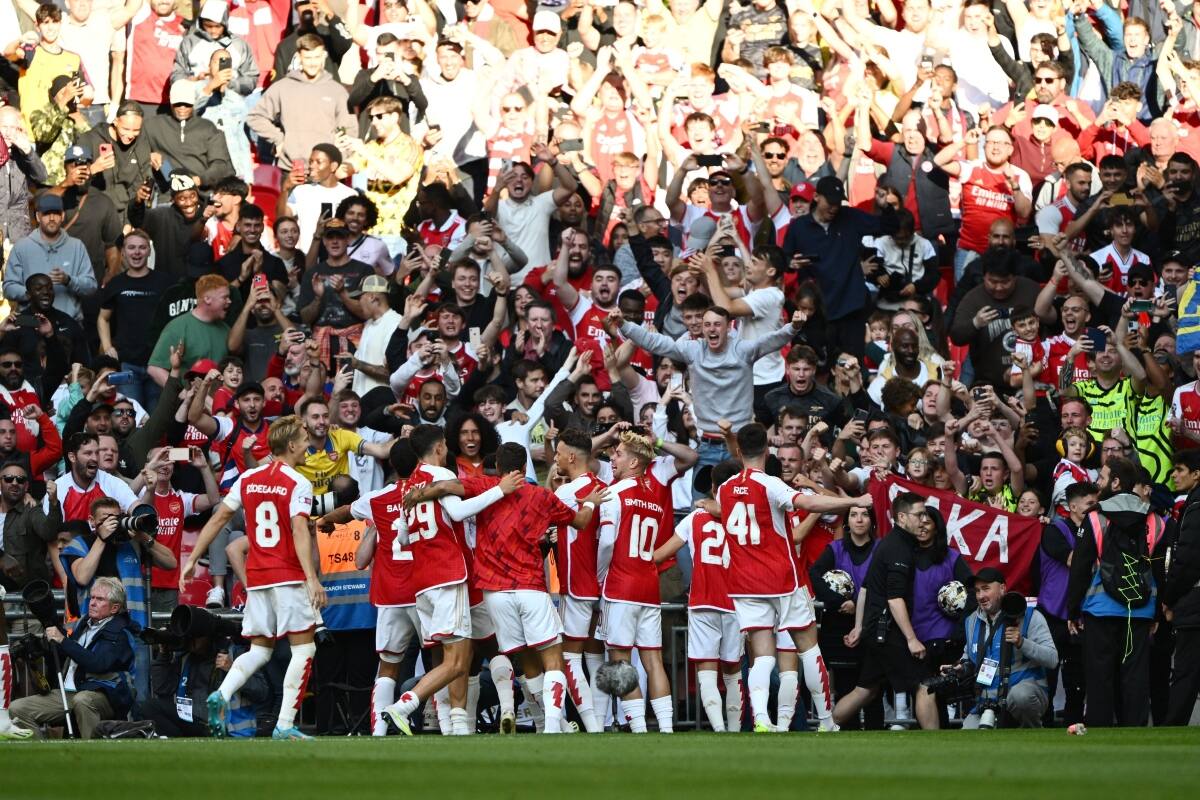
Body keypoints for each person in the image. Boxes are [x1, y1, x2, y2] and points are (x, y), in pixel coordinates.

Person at [716, 423, 871, 732]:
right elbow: (808, 502)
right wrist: (853, 501)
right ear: (767, 451)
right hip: (781, 578)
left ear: (738, 451)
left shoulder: (724, 489)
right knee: (808, 648)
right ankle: (827, 721)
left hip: (744, 581)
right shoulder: (769, 484)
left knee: (761, 656)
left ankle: (761, 718)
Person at [180, 415, 325, 740]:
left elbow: (219, 519)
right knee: (304, 651)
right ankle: (286, 724)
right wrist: (312, 577)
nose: (307, 445)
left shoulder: (249, 478)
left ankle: (222, 694)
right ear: (290, 445)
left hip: (258, 577)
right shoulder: (297, 482)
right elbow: (300, 530)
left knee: (260, 650)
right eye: (304, 440)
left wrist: (192, 558)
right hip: (287, 576)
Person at [378, 424, 516, 735]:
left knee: (454, 655)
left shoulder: (408, 485)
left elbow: (401, 536)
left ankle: (457, 726)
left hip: (423, 581)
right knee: (457, 661)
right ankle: (405, 705)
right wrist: (499, 490)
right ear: (440, 447)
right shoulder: (439, 476)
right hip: (447, 575)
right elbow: (457, 513)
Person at [1067, 457, 1164, 727]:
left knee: (1100, 676)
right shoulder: (1156, 519)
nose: (1098, 485)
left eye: (1102, 478)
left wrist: (1072, 610)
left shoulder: (1095, 517)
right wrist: (1157, 611)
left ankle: (1098, 731)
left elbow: (1080, 568)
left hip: (1100, 608)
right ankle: (1135, 731)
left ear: (1116, 482)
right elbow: (1161, 573)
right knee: (1135, 677)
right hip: (1141, 609)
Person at [833, 492, 940, 730]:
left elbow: (865, 589)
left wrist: (860, 628)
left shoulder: (891, 544)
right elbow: (894, 599)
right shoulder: (898, 548)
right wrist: (911, 640)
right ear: (902, 517)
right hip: (886, 633)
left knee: (865, 690)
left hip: (876, 631)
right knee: (925, 684)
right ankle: (936, 743)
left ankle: (827, 722)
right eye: (919, 514)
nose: (924, 519)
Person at [656, 458, 743, 732]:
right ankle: (735, 729)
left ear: (714, 487)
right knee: (732, 671)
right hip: (736, 602)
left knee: (706, 670)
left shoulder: (695, 517)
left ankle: (719, 729)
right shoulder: (745, 517)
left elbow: (661, 554)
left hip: (703, 601)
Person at [781, 176, 899, 360]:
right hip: (817, 312)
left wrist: (886, 206)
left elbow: (890, 226)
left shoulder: (849, 216)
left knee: (852, 365)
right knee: (817, 367)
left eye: (838, 202)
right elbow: (784, 258)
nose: (834, 207)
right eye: (830, 201)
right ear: (816, 197)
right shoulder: (799, 227)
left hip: (851, 308)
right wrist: (791, 263)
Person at [8, 577, 135, 739]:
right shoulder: (84, 624)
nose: (92, 602)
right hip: (69, 692)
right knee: (17, 709)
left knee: (83, 701)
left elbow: (98, 664)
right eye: (92, 597)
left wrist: (63, 640)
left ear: (114, 608)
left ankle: (95, 756)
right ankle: (43, 757)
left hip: (103, 693)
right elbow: (68, 655)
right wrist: (42, 647)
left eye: (100, 599)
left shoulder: (120, 632)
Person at [958, 567, 1058, 728]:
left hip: (1022, 694)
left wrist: (1022, 643)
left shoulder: (1030, 615)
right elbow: (968, 656)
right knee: (967, 739)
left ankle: (1032, 735)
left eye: (986, 589)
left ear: (1003, 588)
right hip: (988, 703)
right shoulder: (971, 621)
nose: (981, 596)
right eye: (977, 591)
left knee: (1021, 697)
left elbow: (1052, 659)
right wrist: (959, 667)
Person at [247, 33, 355, 170]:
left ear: (324, 56)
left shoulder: (337, 91)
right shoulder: (282, 87)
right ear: (299, 57)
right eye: (308, 58)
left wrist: (341, 154)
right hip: (292, 168)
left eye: (317, 57)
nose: (313, 62)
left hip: (326, 170)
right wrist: (279, 140)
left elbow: (350, 127)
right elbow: (255, 117)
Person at [2, 193, 95, 322]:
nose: (51, 218)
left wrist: (69, 280)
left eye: (56, 213)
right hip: (31, 323)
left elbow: (91, 287)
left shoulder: (77, 246)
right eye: (46, 214)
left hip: (67, 323)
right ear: (38, 217)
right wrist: (35, 292)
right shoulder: (21, 247)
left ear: (62, 216)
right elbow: (8, 288)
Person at [1163, 450, 1200, 724]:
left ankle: (1172, 726)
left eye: (1180, 469)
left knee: (1186, 670)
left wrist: (1169, 597)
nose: (1174, 475)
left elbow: (1187, 557)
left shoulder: (1196, 506)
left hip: (1194, 600)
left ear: (1196, 474)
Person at [146, 275, 232, 389]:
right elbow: (154, 369)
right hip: (189, 403)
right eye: (224, 297)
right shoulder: (178, 327)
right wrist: (180, 393)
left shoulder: (226, 329)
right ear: (207, 299)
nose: (229, 301)